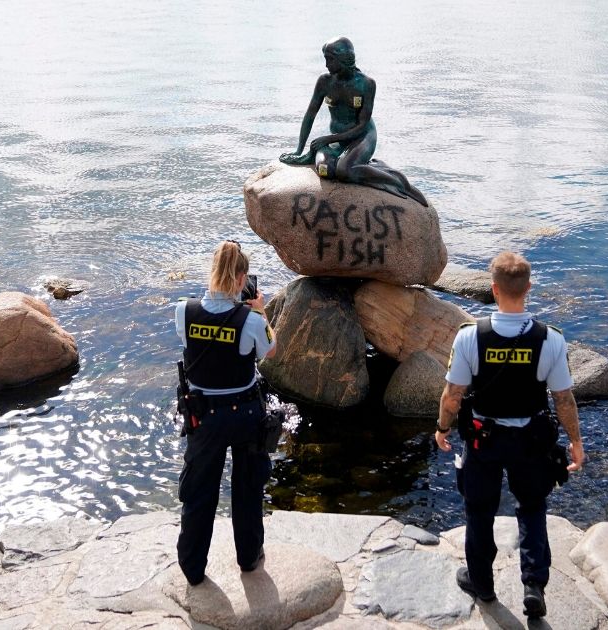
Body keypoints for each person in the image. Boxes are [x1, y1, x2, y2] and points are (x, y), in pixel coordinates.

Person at [434, 251, 584, 620]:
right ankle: (533, 585)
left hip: (483, 440)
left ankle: (482, 583)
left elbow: (453, 395)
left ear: (494, 289)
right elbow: (563, 399)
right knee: (532, 508)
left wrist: (441, 428)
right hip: (531, 441)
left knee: (479, 511)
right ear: (528, 288)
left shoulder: (470, 337)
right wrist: (576, 442)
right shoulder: (551, 340)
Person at [174, 240, 277, 585]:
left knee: (199, 493)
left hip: (204, 416)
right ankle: (248, 558)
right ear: (242, 278)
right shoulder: (249, 319)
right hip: (245, 413)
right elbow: (270, 351)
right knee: (248, 489)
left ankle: (192, 568)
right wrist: (261, 311)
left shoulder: (183, 312)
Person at [279, 36, 429, 206]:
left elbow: (362, 125)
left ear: (343, 59)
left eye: (330, 59)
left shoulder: (366, 84)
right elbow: (310, 115)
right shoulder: (324, 82)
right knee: (325, 169)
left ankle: (397, 181)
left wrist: (328, 139)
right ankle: (363, 166)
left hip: (363, 137)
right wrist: (299, 150)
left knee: (345, 171)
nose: (326, 64)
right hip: (337, 139)